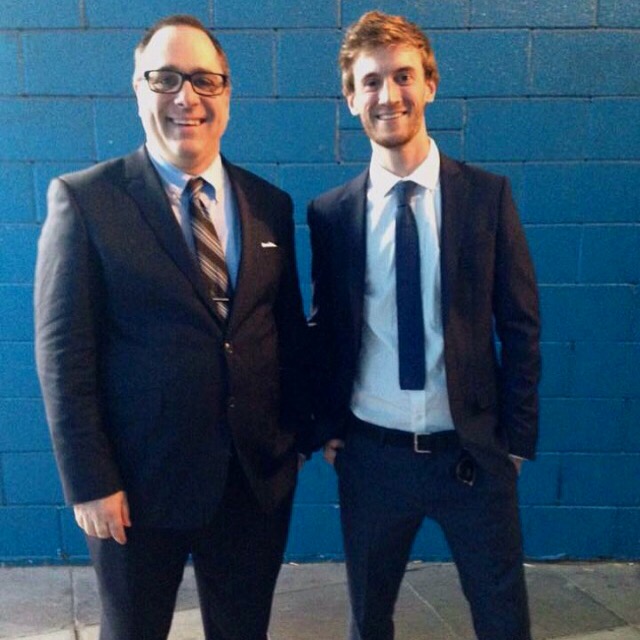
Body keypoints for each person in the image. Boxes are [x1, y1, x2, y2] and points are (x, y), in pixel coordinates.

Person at [35, 14, 311, 640]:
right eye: (165, 79)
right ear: (138, 91)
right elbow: (63, 357)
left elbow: (285, 331)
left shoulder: (270, 204)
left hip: (252, 484)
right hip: (134, 493)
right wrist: (90, 481)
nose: (186, 97)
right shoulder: (86, 200)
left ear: (227, 94)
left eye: (204, 80)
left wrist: (300, 436)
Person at [307, 10, 541, 640]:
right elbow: (327, 328)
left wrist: (515, 440)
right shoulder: (331, 215)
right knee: (369, 618)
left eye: (403, 76)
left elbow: (520, 325)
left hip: (469, 452)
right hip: (372, 457)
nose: (390, 95)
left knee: (502, 618)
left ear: (430, 83)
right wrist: (325, 425)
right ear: (352, 97)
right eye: (372, 81)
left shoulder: (487, 197)